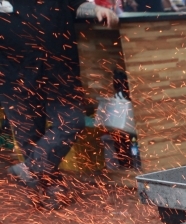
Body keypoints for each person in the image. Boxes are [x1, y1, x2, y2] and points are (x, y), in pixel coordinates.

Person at [0, 0, 118, 210]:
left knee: (72, 120)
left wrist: (97, 9)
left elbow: (78, 5)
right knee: (29, 137)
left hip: (59, 70)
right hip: (12, 75)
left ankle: (30, 169)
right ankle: (47, 194)